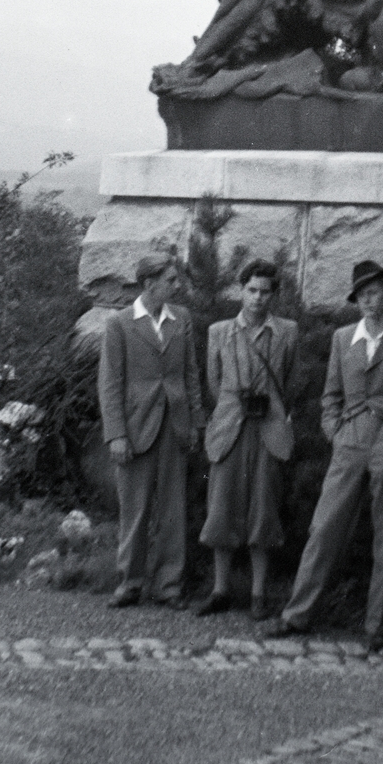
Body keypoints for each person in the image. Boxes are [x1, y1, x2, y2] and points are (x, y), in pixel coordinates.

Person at [267, 258, 383, 652]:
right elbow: (330, 395)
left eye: (374, 292)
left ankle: (376, 626)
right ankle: (298, 616)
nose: (367, 301)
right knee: (324, 527)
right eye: (361, 295)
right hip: (350, 440)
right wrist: (335, 431)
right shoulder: (344, 338)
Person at [98, 253, 203, 610]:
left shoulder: (181, 320)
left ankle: (169, 586)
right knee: (135, 510)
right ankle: (130, 583)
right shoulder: (120, 324)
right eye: (171, 280)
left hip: (175, 426)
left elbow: (190, 375)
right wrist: (116, 434)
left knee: (173, 509)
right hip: (135, 428)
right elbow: (110, 383)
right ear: (149, 284)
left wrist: (195, 423)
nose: (178, 286)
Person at [196, 258, 298, 621]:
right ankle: (221, 590)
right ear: (241, 290)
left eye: (265, 292)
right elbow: (214, 381)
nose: (257, 298)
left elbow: (288, 379)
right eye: (251, 290)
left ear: (274, 295)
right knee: (221, 508)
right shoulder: (219, 332)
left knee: (263, 510)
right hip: (229, 428)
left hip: (268, 429)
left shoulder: (287, 331)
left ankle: (258, 595)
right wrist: (232, 406)